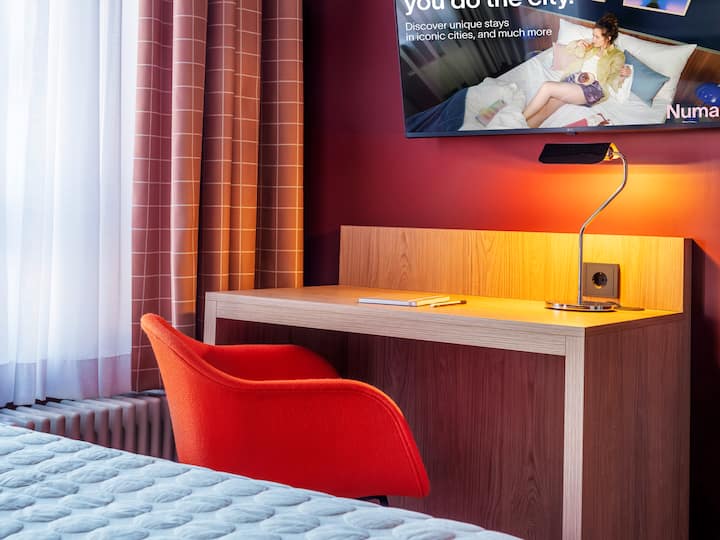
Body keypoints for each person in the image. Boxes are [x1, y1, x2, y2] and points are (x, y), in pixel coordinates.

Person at [522, 13, 632, 128]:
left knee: (547, 87)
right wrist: (577, 43)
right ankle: (521, 130)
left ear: (608, 38)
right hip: (575, 79)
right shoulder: (591, 45)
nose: (593, 39)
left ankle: (517, 119)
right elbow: (570, 50)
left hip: (592, 89)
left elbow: (613, 78)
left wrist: (623, 75)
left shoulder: (617, 55)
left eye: (597, 37)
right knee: (546, 109)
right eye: (593, 35)